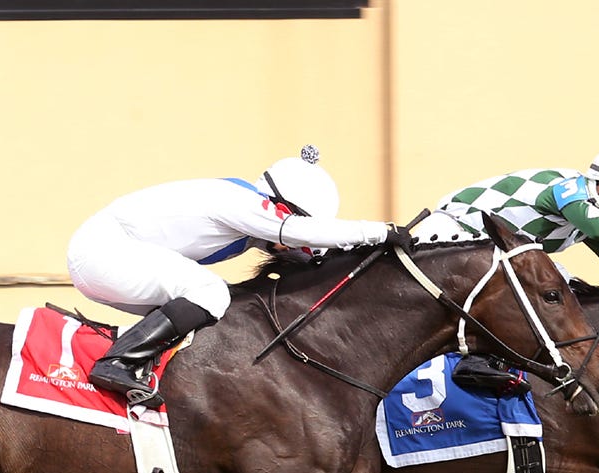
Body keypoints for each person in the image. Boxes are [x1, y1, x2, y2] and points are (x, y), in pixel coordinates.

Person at [67, 146, 412, 407]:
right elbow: (297, 232)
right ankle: (115, 363)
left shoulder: (249, 221)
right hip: (103, 251)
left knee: (210, 308)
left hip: (106, 257)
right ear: (279, 205)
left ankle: (150, 372)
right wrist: (380, 232)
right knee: (211, 292)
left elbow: (310, 251)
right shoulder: (240, 202)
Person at [416, 136, 599, 393]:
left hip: (489, 250)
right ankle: (476, 360)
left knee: (564, 290)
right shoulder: (568, 189)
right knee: (539, 286)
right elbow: (598, 225)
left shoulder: (589, 216)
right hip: (451, 233)